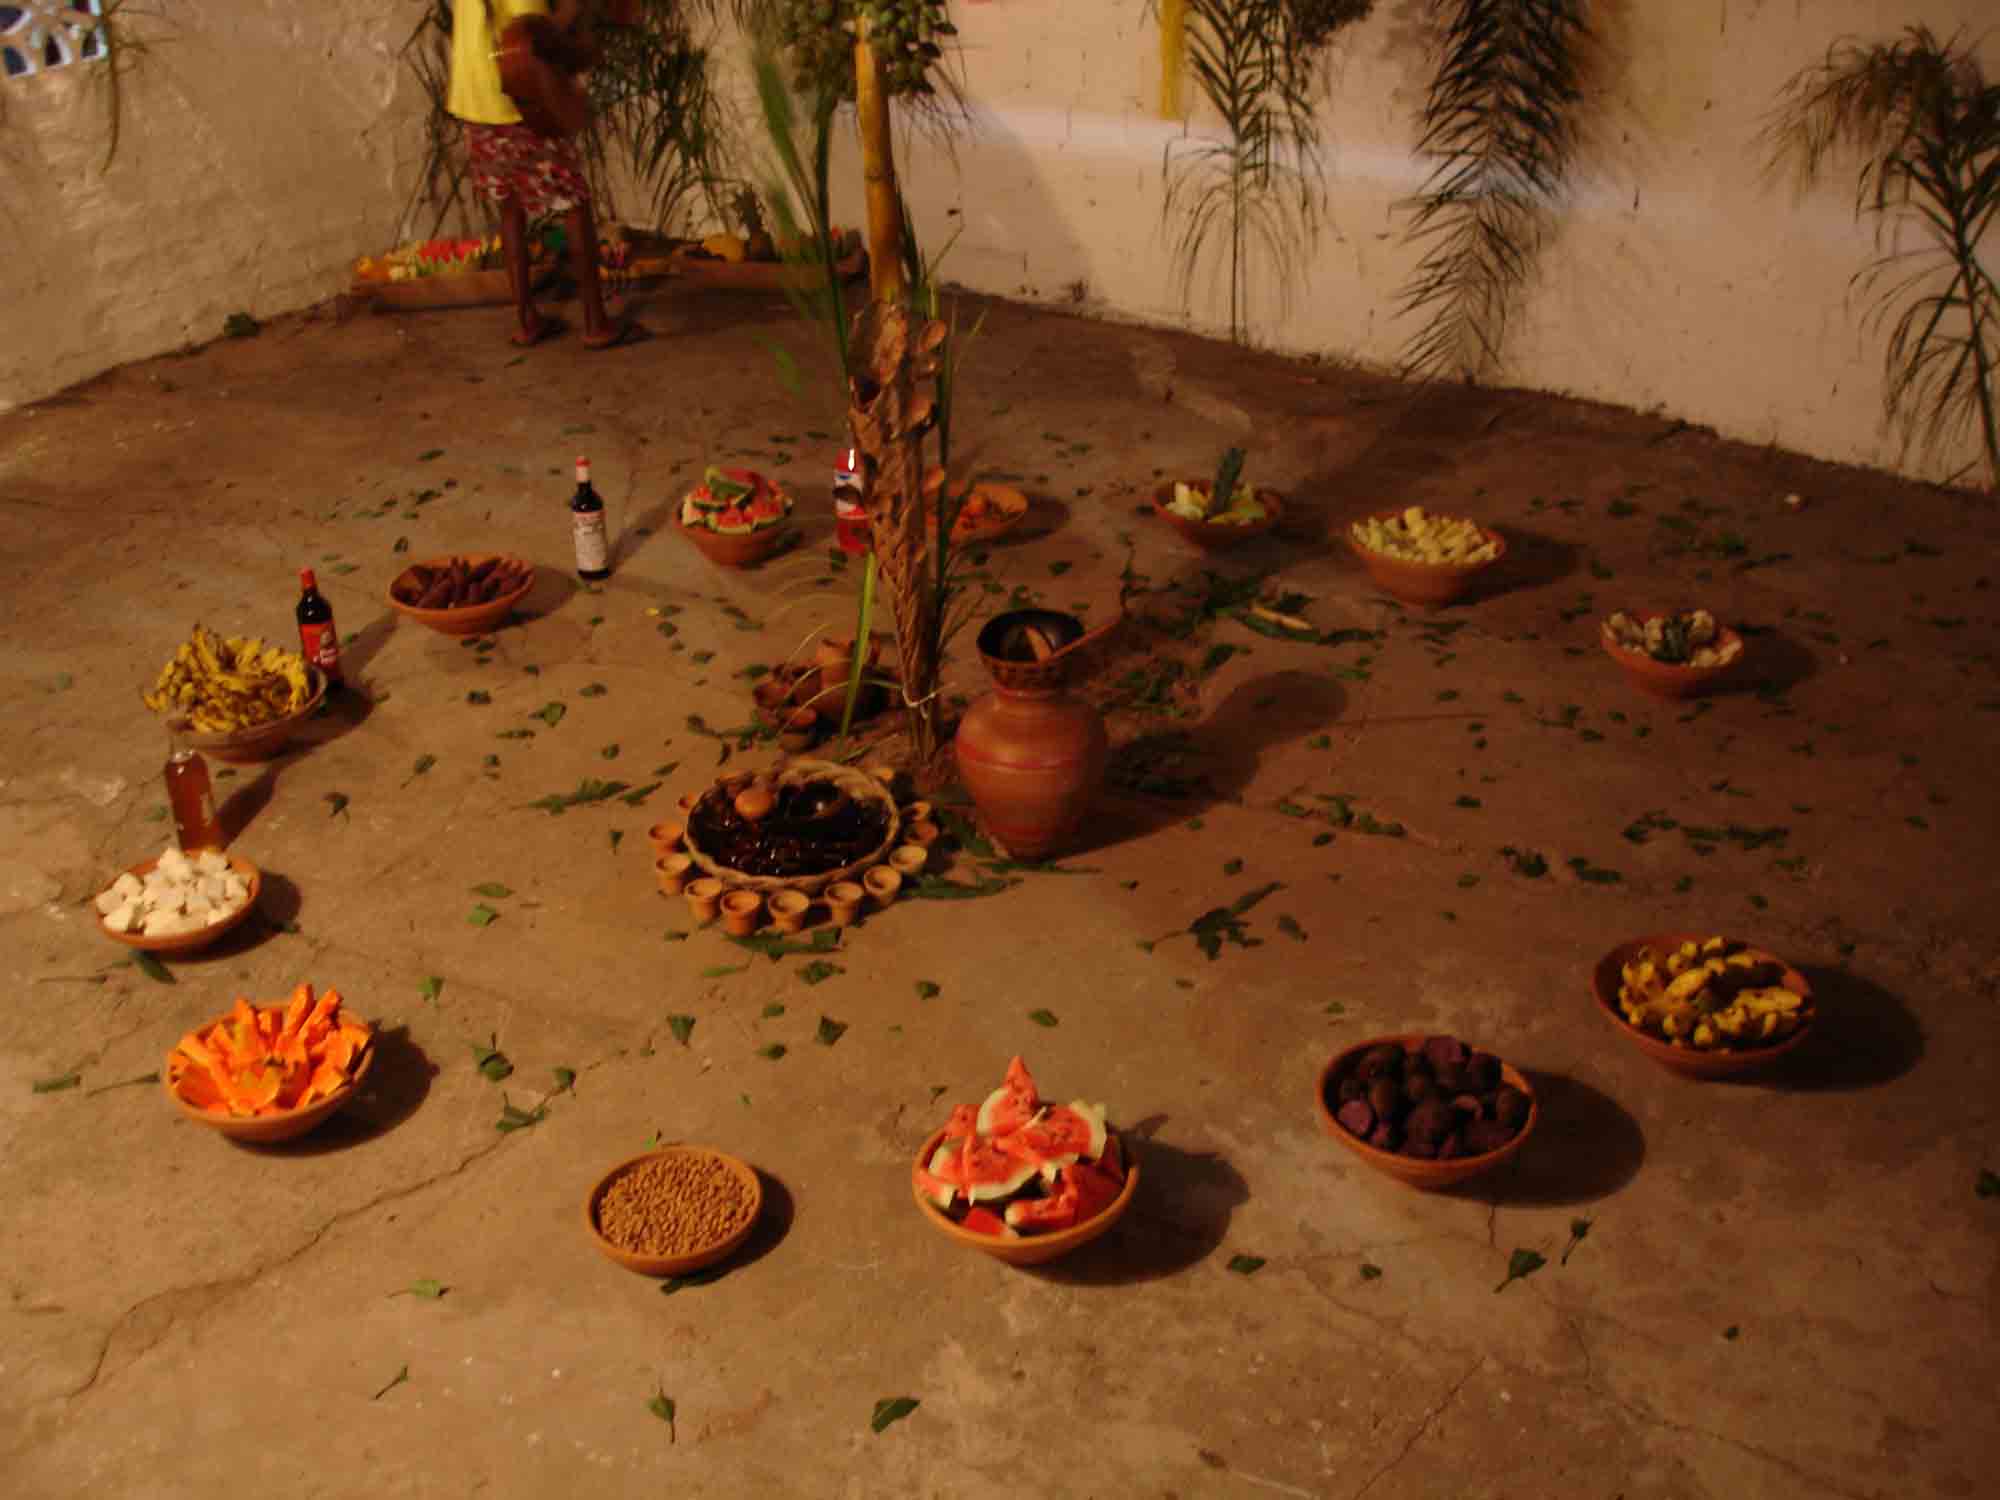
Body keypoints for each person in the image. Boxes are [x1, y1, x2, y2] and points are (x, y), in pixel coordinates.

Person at [448, 0, 632, 348]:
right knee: (573, 203)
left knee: (509, 205)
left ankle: (527, 320)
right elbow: (530, 33)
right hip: (520, 94)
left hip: (475, 96)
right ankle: (596, 323)